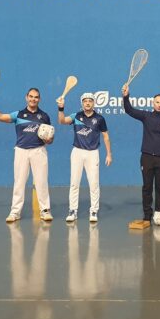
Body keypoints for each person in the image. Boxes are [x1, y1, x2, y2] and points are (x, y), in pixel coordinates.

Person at [0, 88, 54, 222]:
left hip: (39, 151)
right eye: (31, 96)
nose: (33, 99)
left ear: (39, 99)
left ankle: (45, 210)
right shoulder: (19, 114)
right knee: (19, 183)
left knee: (41, 182)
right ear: (26, 97)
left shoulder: (44, 116)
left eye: (36, 97)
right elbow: (0, 116)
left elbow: (50, 138)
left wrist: (49, 139)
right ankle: (15, 212)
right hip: (21, 151)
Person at [122, 84, 160, 225]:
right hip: (146, 157)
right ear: (153, 103)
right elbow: (129, 110)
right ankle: (147, 215)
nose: (159, 105)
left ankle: (159, 214)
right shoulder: (146, 116)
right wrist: (126, 96)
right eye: (157, 102)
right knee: (147, 187)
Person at [56, 92, 112, 223]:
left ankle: (93, 211)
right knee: (74, 183)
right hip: (77, 152)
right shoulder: (76, 116)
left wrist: (109, 154)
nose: (87, 103)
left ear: (94, 103)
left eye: (90, 101)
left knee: (94, 184)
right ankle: (72, 211)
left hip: (93, 153)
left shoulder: (99, 119)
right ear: (82, 103)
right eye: (85, 101)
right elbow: (62, 121)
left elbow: (106, 136)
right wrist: (61, 108)